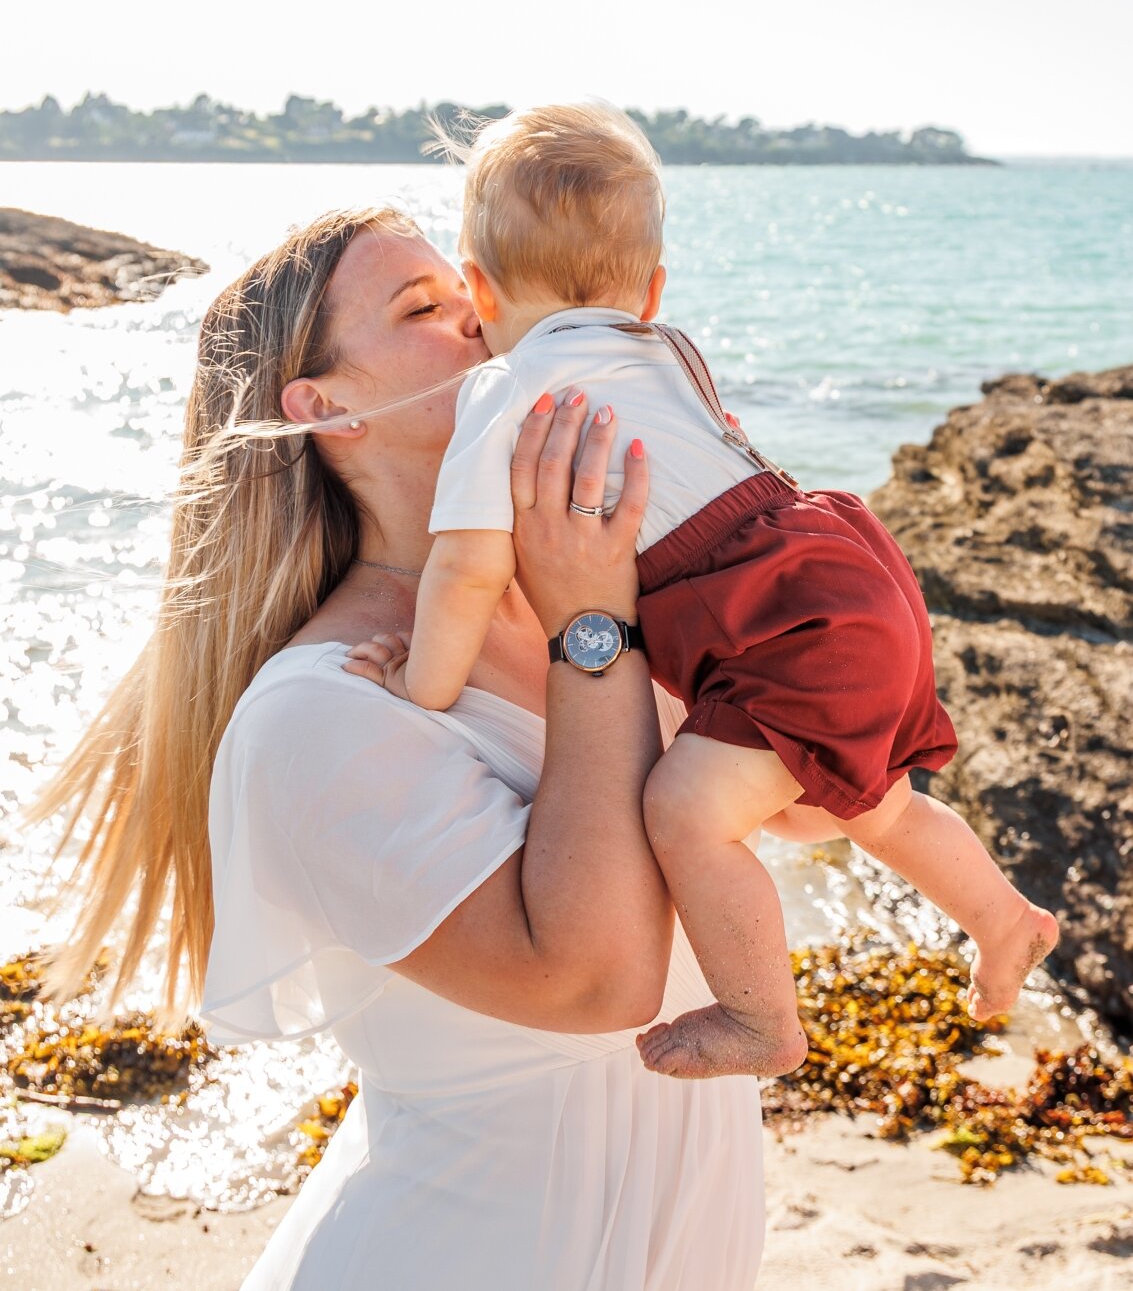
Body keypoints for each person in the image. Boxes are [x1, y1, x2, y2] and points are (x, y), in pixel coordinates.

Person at [28, 206, 765, 1291]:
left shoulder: (610, 601)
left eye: (472, 292)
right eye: (424, 307)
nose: (481, 318)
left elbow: (820, 799)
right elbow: (596, 979)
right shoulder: (319, 713)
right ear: (324, 408)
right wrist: (591, 624)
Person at [350, 103, 1060, 1083]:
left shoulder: (500, 389)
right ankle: (1000, 915)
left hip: (770, 619)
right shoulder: (671, 348)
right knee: (872, 807)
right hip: (845, 568)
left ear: (475, 288)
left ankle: (759, 1016)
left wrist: (418, 687)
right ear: (650, 289)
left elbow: (465, 568)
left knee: (685, 815)